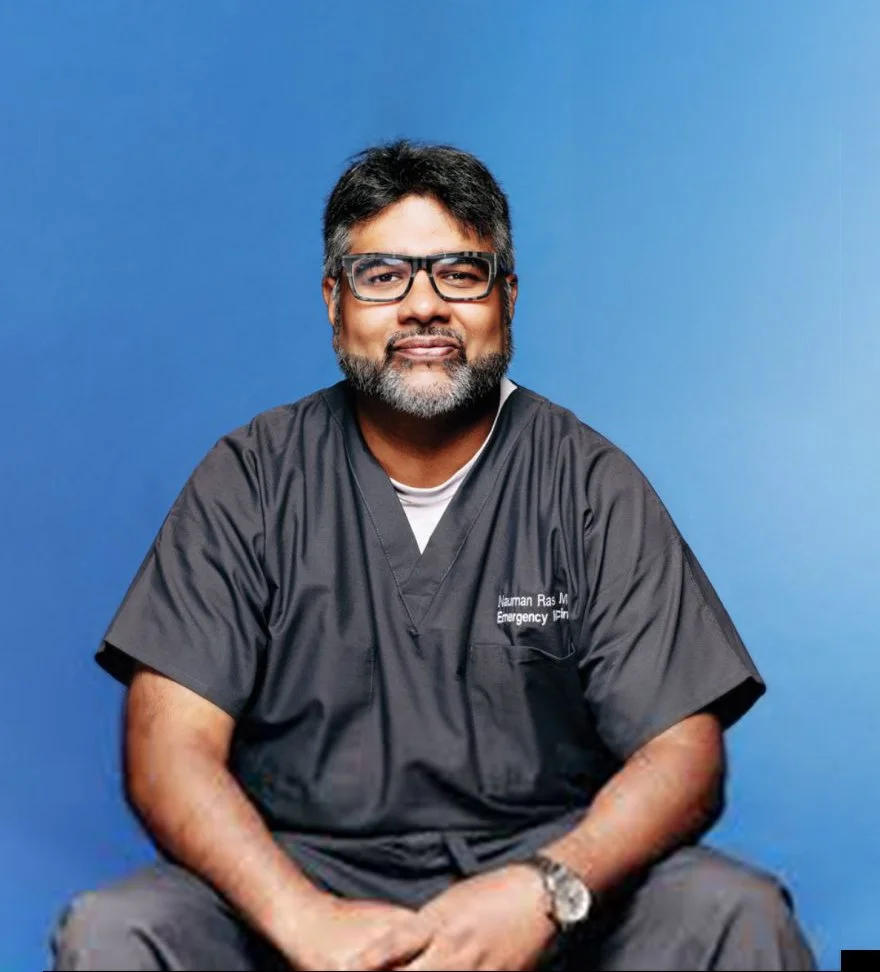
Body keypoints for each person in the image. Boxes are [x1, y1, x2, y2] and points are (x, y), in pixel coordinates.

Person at [49, 140, 817, 971]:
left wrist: (547, 889)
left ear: (508, 299)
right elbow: (169, 751)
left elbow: (685, 753)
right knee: (116, 932)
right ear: (334, 303)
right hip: (299, 887)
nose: (424, 306)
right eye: (384, 276)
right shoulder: (251, 480)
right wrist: (304, 921)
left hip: (544, 887)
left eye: (460, 273)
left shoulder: (587, 483)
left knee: (732, 914)